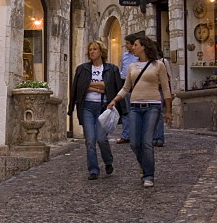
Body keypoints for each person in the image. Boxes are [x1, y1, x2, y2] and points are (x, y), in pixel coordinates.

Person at [107, 35, 171, 188]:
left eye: (136, 45)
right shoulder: (132, 67)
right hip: (135, 107)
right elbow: (126, 87)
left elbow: (166, 88)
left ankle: (148, 175)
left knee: (147, 141)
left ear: (143, 46)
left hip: (153, 106)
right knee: (135, 143)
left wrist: (168, 111)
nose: (133, 47)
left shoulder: (158, 65)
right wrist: (115, 100)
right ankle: (144, 165)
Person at [69, 41, 123, 180]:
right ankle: (93, 170)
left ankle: (108, 161)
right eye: (90, 50)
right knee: (90, 140)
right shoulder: (82, 69)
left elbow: (111, 87)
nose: (92, 52)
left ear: (101, 51)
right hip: (87, 106)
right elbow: (79, 88)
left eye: (95, 49)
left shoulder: (111, 69)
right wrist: (99, 87)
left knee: (101, 138)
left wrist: (90, 85)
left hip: (104, 107)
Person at [117, 33, 142, 144]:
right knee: (125, 111)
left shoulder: (139, 57)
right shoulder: (124, 56)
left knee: (136, 111)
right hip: (124, 83)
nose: (125, 45)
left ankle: (137, 135)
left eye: (127, 43)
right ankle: (126, 135)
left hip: (136, 84)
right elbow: (121, 68)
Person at [153, 49, 173, 147]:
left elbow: (170, 76)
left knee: (158, 112)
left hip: (160, 89)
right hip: (152, 89)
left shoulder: (164, 62)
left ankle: (159, 137)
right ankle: (154, 137)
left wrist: (171, 91)